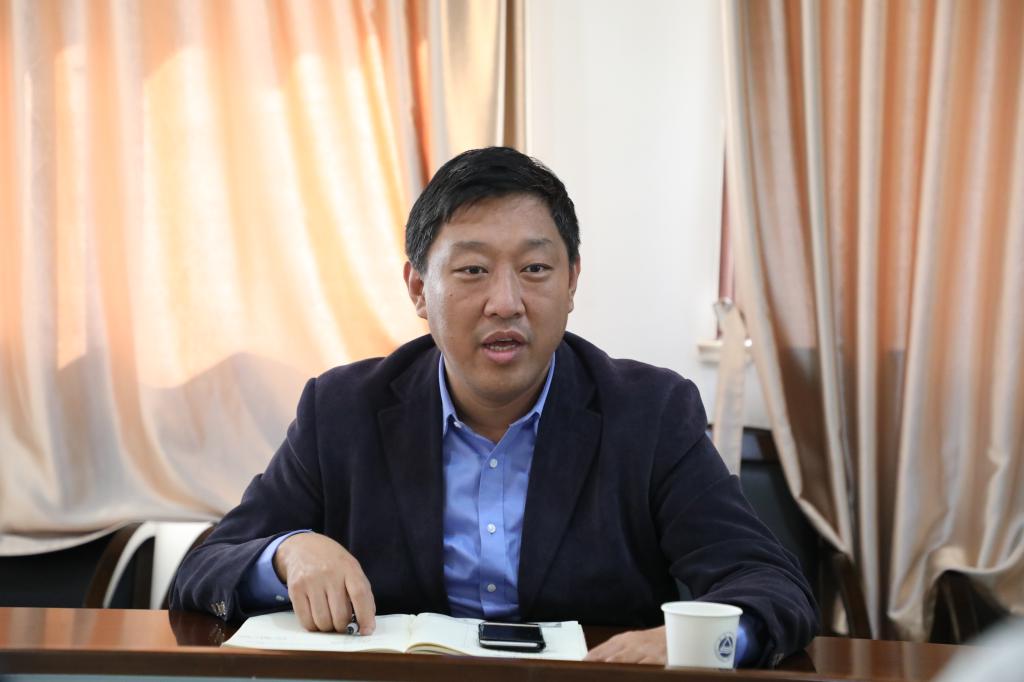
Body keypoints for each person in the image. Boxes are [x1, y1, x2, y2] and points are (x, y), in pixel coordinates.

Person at [170, 146, 818, 667]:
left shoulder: (649, 414)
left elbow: (769, 583)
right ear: (418, 289)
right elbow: (203, 569)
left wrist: (697, 644)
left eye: (534, 270)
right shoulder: (343, 410)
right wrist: (288, 552)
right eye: (473, 270)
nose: (505, 302)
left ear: (572, 282)